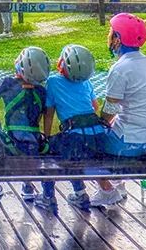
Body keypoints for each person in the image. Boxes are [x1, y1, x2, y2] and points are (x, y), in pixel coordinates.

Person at [90, 13, 146, 208]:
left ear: (118, 38)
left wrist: (99, 124)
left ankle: (107, 191)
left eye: (111, 33)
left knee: (85, 144)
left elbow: (110, 109)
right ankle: (118, 184)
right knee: (114, 127)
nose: (108, 37)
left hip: (131, 143)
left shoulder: (120, 69)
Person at [0, 47, 53, 206]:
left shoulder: (8, 83)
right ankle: (28, 186)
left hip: (10, 141)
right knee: (29, 157)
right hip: (33, 143)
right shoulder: (42, 91)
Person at [44, 44, 107, 211]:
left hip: (75, 138)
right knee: (74, 153)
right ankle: (97, 190)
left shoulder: (53, 82)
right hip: (98, 136)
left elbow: (49, 114)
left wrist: (46, 137)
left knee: (57, 153)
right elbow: (95, 107)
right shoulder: (87, 83)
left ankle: (58, 195)